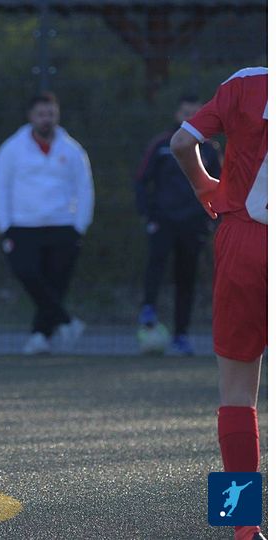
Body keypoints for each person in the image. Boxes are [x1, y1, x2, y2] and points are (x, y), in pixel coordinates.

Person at [170, 67, 267, 540]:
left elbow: (181, 143)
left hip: (245, 241)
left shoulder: (246, 83)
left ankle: (242, 526)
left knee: (236, 392)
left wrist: (203, 185)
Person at [0, 92, 94, 355]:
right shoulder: (12, 149)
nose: (46, 119)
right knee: (28, 274)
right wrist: (4, 225)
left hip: (63, 225)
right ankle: (67, 322)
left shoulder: (72, 150)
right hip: (22, 226)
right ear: (31, 116)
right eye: (41, 114)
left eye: (51, 114)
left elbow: (84, 188)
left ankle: (40, 337)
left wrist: (79, 225)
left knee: (56, 284)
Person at [134, 95, 221, 355]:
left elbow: (222, 186)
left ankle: (181, 335)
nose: (189, 118)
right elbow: (141, 180)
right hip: (163, 221)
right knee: (156, 266)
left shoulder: (209, 149)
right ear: (177, 114)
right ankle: (148, 309)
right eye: (185, 113)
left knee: (186, 279)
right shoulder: (162, 144)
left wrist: (212, 218)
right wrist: (148, 214)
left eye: (195, 113)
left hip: (193, 224)